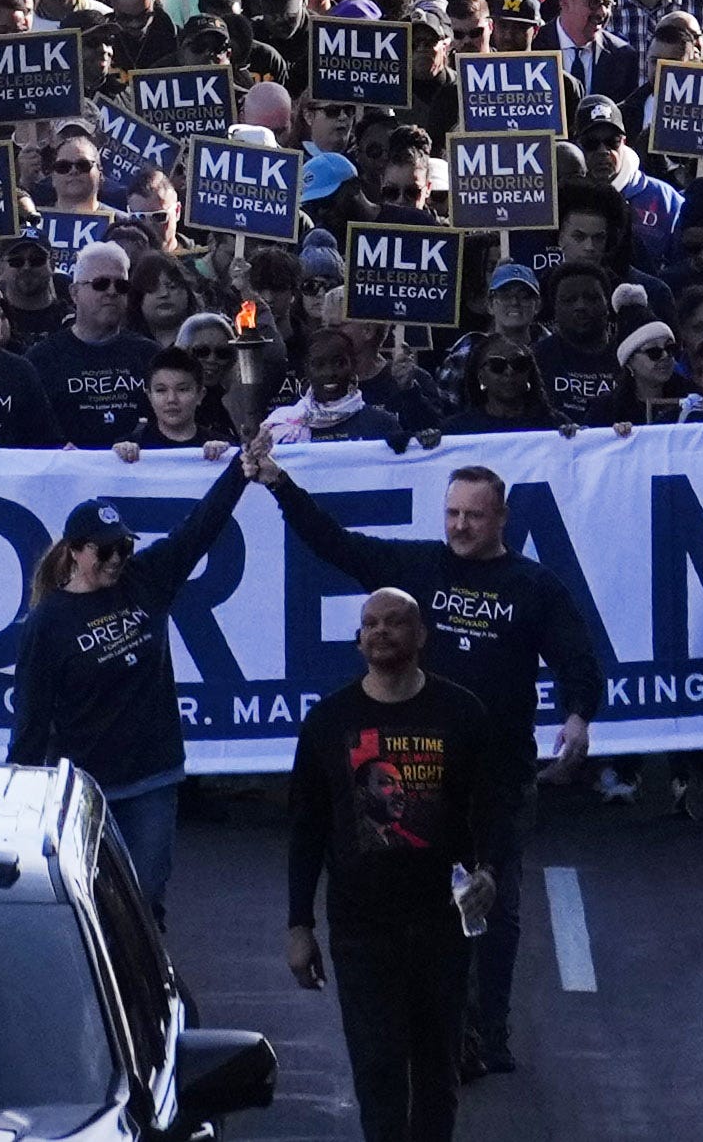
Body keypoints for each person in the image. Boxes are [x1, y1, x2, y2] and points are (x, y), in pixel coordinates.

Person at [250, 428, 609, 1067]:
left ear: (501, 517)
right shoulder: (419, 568)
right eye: (452, 513)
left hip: (497, 775)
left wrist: (579, 717)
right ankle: (437, 1034)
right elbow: (335, 544)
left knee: (491, 904)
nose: (461, 526)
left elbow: (579, 659)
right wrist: (279, 484)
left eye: (474, 515)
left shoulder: (534, 586)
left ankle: (485, 1035)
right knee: (419, 908)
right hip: (416, 773)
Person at [286, 586, 514, 1142]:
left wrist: (489, 872)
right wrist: (299, 925)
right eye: (370, 624)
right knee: (378, 1068)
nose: (380, 632)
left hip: (442, 925)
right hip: (361, 929)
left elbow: (492, 809)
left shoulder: (462, 712)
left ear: (421, 637)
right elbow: (306, 828)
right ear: (359, 639)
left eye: (394, 622)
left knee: (439, 1070)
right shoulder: (328, 722)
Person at [3, 460, 257, 912]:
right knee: (88, 899)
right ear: (76, 552)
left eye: (123, 546)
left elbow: (198, 528)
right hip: (86, 782)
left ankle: (146, 974)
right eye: (105, 551)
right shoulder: (48, 621)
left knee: (147, 893)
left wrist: (240, 469)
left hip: (151, 774)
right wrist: (20, 789)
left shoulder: (146, 579)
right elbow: (32, 712)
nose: (117, 558)